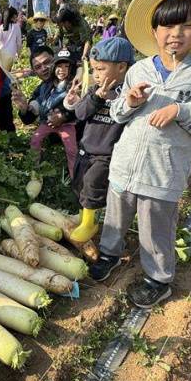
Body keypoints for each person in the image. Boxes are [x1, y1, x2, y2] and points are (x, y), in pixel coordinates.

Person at [90, 0, 191, 308]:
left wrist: (180, 110)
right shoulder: (139, 70)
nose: (176, 34)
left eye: (186, 26)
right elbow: (117, 114)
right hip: (126, 163)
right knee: (115, 217)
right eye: (167, 27)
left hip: (164, 170)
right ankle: (109, 254)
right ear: (154, 30)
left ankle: (158, 279)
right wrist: (129, 102)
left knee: (156, 226)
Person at [61, 37, 134, 242]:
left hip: (106, 153)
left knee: (93, 184)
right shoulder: (94, 90)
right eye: (93, 69)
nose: (96, 75)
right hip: (86, 147)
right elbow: (81, 113)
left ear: (121, 67)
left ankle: (89, 223)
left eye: (100, 69)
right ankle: (84, 215)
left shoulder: (127, 94)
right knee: (79, 183)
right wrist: (96, 98)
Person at [19, 48, 78, 175]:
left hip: (77, 130)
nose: (44, 68)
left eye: (47, 62)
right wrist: (24, 107)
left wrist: (64, 115)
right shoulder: (41, 89)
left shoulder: (73, 83)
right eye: (38, 67)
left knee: (72, 148)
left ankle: (75, 175)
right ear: (34, 71)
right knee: (36, 138)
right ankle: (34, 169)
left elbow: (83, 106)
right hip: (49, 126)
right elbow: (29, 118)